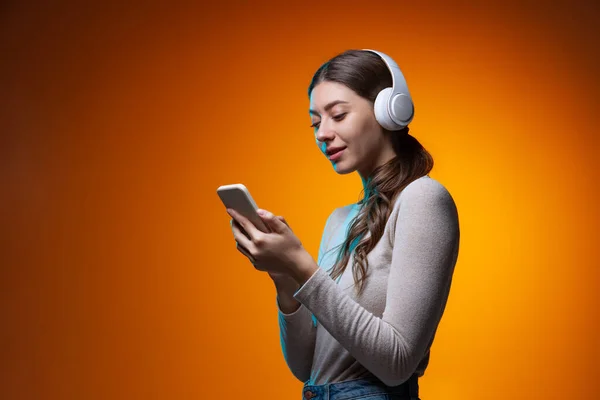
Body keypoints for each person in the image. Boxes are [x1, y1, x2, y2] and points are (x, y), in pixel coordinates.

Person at [227, 49, 460, 400]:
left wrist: (301, 266)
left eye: (337, 115)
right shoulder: (339, 221)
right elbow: (307, 367)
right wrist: (285, 276)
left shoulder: (423, 200)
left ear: (388, 110)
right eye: (315, 122)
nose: (323, 133)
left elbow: (397, 364)